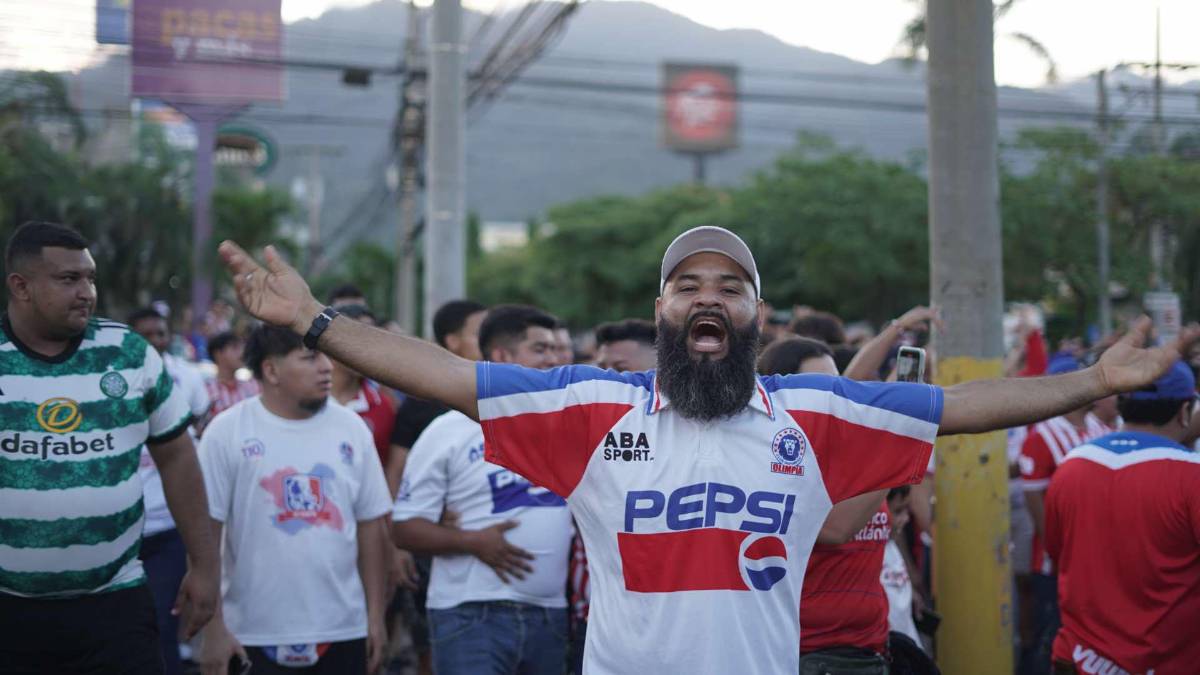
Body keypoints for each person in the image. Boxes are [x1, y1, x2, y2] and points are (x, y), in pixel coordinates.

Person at [219, 225, 1197, 674]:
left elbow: (964, 406)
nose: (708, 297)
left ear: (756, 315)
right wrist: (315, 322)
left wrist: (1093, 382)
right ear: (661, 309)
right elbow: (441, 373)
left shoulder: (815, 414)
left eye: (730, 286)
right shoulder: (591, 406)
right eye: (689, 284)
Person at [0, 221, 218, 673]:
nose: (87, 293)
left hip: (114, 604)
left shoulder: (128, 353)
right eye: (69, 279)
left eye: (90, 278)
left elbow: (178, 457)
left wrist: (204, 565)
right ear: (20, 287)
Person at [196, 325, 392, 675]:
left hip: (343, 630)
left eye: (327, 357)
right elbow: (205, 535)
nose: (327, 367)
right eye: (310, 358)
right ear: (271, 370)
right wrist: (213, 627)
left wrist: (374, 617)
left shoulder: (352, 429)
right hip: (250, 632)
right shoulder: (226, 433)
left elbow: (370, 527)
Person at [393, 304, 571, 675]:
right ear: (502, 356)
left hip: (550, 616)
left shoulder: (571, 427)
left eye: (556, 349)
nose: (554, 360)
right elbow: (405, 529)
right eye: (540, 349)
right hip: (470, 615)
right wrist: (472, 542)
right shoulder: (446, 430)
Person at [1045, 362, 1200, 674]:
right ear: (1185, 411)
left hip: (1079, 661)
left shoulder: (1071, 466)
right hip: (1167, 664)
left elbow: (1059, 556)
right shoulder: (1191, 475)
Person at [386, 299, 487, 675]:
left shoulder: (502, 394)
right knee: (430, 645)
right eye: (480, 332)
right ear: (452, 340)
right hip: (435, 548)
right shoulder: (422, 403)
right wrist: (396, 545)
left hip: (513, 570)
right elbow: (396, 471)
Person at [129, 306, 214, 675]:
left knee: (162, 620)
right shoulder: (109, 377)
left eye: (160, 333)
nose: (155, 341)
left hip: (168, 528)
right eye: (145, 335)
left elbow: (195, 433)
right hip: (124, 531)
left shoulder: (188, 378)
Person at [1017, 355, 1115, 674]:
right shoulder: (1043, 435)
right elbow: (1035, 499)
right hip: (1056, 565)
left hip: (1099, 561)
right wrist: (1058, 551)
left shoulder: (1102, 429)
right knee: (1052, 642)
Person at [199, 331, 260, 434]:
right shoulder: (206, 390)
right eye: (235, 347)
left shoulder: (251, 388)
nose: (242, 353)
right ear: (218, 354)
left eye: (242, 347)